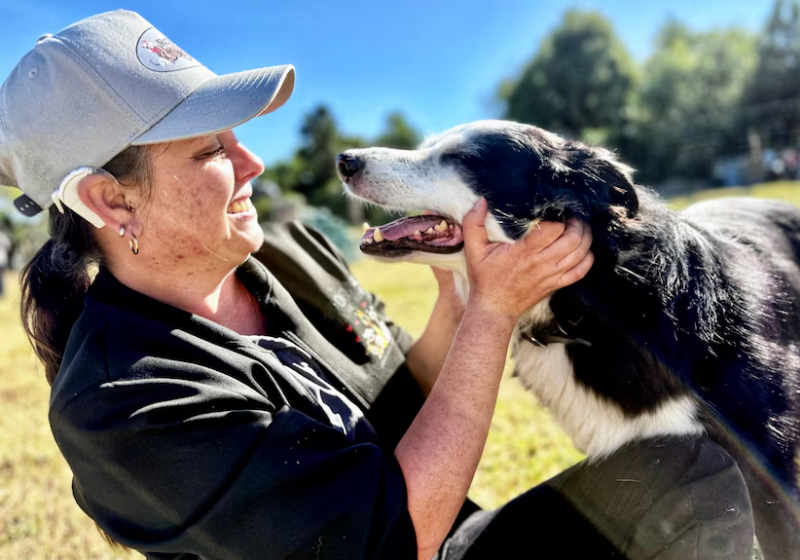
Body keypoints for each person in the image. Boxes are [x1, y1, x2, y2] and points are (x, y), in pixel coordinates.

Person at [1, 10, 755, 560]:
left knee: (693, 471)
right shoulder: (125, 400)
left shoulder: (279, 257)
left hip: (454, 538)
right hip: (410, 542)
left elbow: (406, 386)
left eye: (239, 137)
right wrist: (494, 314)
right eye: (211, 150)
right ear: (109, 199)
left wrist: (460, 286)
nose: (254, 165)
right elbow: (396, 542)